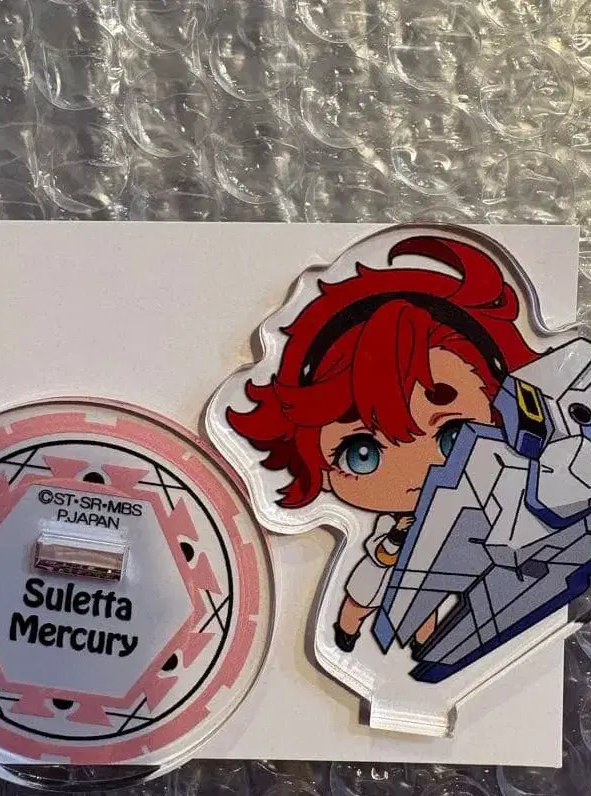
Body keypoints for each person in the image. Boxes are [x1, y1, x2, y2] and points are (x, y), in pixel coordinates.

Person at [227, 234, 539, 654]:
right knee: (362, 597)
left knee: (425, 604)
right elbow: (382, 551)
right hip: (381, 566)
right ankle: (346, 631)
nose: (417, 475)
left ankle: (423, 644)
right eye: (363, 454)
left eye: (454, 437)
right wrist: (396, 544)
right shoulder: (388, 525)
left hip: (433, 570)